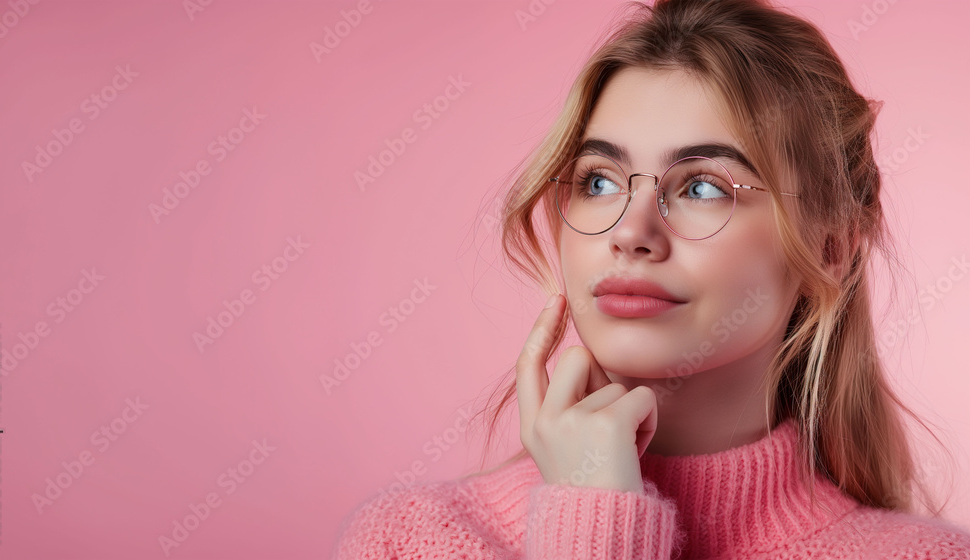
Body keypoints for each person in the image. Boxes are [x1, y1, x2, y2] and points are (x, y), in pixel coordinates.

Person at [331, 0, 970, 557]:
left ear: (830, 249)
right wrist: (590, 513)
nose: (630, 231)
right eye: (598, 181)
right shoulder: (409, 541)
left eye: (701, 186)